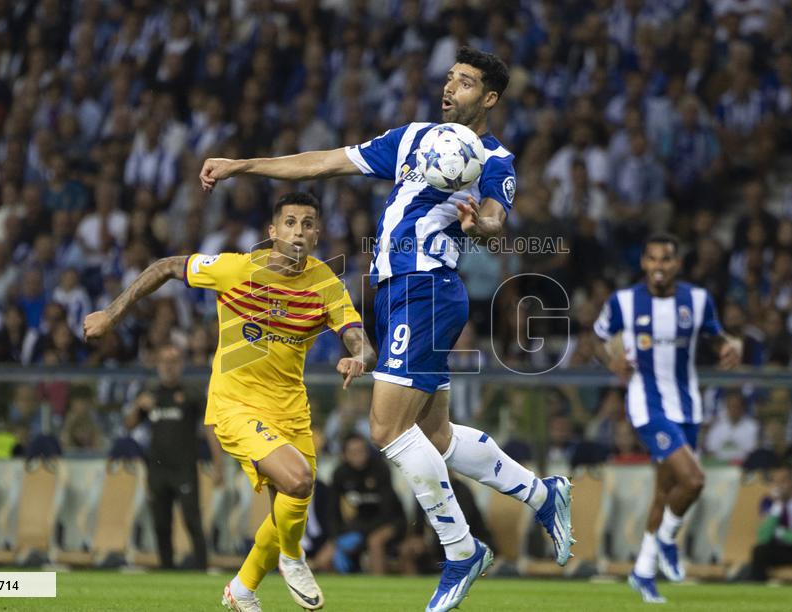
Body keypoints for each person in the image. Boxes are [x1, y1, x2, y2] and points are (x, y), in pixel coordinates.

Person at [199, 46, 574, 612]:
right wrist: (242, 165)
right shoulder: (414, 137)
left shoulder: (496, 159)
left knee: (384, 430)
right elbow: (324, 162)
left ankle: (460, 551)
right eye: (450, 78)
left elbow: (498, 223)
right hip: (396, 292)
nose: (451, 89)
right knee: (438, 437)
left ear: (489, 98)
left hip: (427, 288)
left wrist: (482, 225)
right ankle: (542, 493)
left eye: (466, 83)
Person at [84, 192, 373, 612]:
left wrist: (358, 358)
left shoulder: (326, 284)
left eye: (308, 224)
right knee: (298, 481)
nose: (298, 231)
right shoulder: (235, 268)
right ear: (273, 232)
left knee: (285, 511)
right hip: (236, 405)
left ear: (316, 235)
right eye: (290, 222)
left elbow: (357, 337)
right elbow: (167, 267)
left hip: (291, 410)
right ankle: (294, 559)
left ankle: (241, 590)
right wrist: (112, 314)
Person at [593, 233, 742, 603]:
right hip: (647, 404)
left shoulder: (698, 300)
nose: (659, 266)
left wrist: (730, 346)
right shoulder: (623, 302)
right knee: (694, 480)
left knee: (665, 491)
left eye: (667, 259)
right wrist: (608, 358)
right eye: (653, 259)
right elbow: (597, 339)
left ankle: (643, 572)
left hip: (688, 405)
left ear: (677, 264)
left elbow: (716, 337)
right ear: (644, 263)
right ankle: (666, 540)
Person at [125, 343, 225, 570]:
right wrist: (137, 406)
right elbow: (129, 425)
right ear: (158, 365)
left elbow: (210, 426)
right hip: (157, 470)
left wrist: (219, 463)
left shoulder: (191, 395)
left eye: (174, 362)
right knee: (161, 524)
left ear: (181, 365)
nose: (169, 367)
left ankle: (202, 567)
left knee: (192, 520)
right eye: (165, 362)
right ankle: (166, 569)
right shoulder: (150, 395)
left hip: (184, 469)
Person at [326, 433, 406, 575]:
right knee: (326, 555)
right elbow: (332, 510)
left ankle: (379, 585)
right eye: (353, 452)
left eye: (361, 451)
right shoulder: (340, 474)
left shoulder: (380, 469)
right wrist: (336, 537)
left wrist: (360, 533)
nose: (358, 456)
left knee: (375, 541)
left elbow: (387, 510)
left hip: (391, 522)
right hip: (361, 523)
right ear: (344, 455)